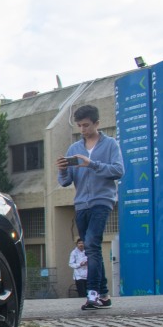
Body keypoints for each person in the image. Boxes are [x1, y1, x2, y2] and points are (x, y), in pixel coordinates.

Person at [56, 104, 125, 310]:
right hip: (81, 204)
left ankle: (92, 294)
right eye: (79, 126)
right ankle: (104, 295)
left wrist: (92, 164)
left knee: (92, 244)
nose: (82, 129)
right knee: (92, 248)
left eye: (86, 125)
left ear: (96, 123)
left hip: (102, 201)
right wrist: (61, 170)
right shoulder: (74, 149)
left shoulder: (110, 144)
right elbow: (65, 181)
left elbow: (119, 170)